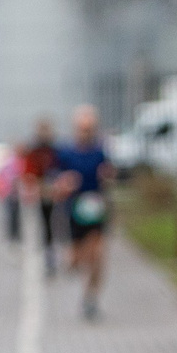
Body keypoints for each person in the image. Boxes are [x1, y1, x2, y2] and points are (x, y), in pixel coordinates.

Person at [50, 104, 114, 319]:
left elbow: (108, 175)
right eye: (83, 129)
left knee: (98, 255)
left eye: (90, 128)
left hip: (96, 208)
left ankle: (91, 298)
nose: (87, 133)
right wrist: (64, 182)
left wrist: (107, 175)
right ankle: (74, 261)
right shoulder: (66, 152)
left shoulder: (100, 151)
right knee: (78, 258)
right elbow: (55, 179)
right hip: (74, 209)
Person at [19, 118, 60, 274]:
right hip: (43, 190)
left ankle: (56, 251)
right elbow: (28, 171)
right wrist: (32, 185)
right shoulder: (34, 150)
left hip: (57, 190)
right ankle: (48, 253)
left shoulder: (55, 149)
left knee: (57, 224)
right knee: (46, 223)